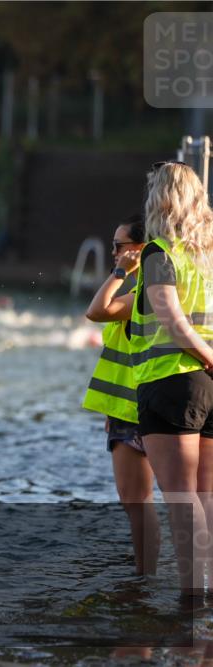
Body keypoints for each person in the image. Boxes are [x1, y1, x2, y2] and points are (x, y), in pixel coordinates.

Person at [128, 162, 213, 595]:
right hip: (211, 386)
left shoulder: (159, 251)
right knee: (207, 496)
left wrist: (205, 355)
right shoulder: (210, 253)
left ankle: (192, 595)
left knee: (181, 497)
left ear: (160, 199)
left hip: (172, 378)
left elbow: (174, 322)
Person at [83, 214, 159, 575]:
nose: (113, 252)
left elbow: (96, 310)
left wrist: (119, 274)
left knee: (137, 503)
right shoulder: (156, 289)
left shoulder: (140, 291)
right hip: (128, 409)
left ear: (139, 250)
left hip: (134, 413)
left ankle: (146, 577)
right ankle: (151, 575)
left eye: (119, 246)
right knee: (143, 502)